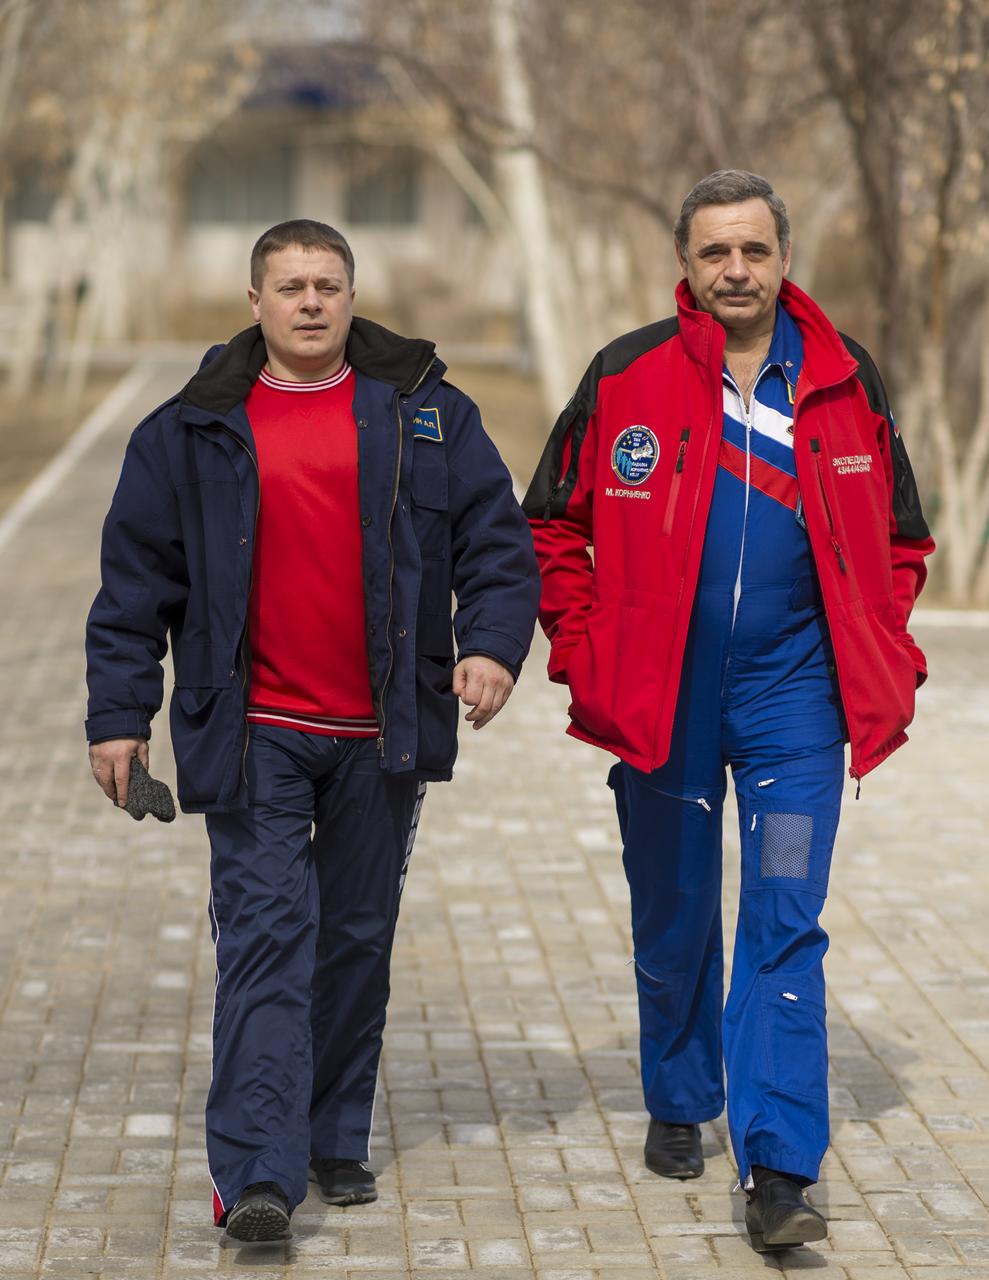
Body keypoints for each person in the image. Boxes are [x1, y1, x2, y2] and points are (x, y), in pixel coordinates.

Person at [86, 219, 540, 1243]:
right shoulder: (191, 425)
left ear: (350, 294)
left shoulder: (425, 410)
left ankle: (331, 1134)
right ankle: (258, 1172)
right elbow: (132, 587)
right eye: (288, 285)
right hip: (254, 728)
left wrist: (493, 645)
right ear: (254, 300)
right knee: (263, 938)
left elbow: (496, 539)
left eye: (326, 284)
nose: (308, 302)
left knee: (353, 937)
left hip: (383, 728)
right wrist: (118, 716)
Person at [524, 171, 934, 1253]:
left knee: (783, 913)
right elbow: (550, 528)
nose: (735, 271)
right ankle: (677, 1084)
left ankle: (779, 1162)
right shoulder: (627, 375)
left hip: (794, 701)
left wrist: (871, 641)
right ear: (686, 264)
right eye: (715, 253)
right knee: (673, 906)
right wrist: (581, 648)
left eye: (753, 250)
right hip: (663, 697)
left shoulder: (844, 378)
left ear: (782, 257)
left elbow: (898, 539)